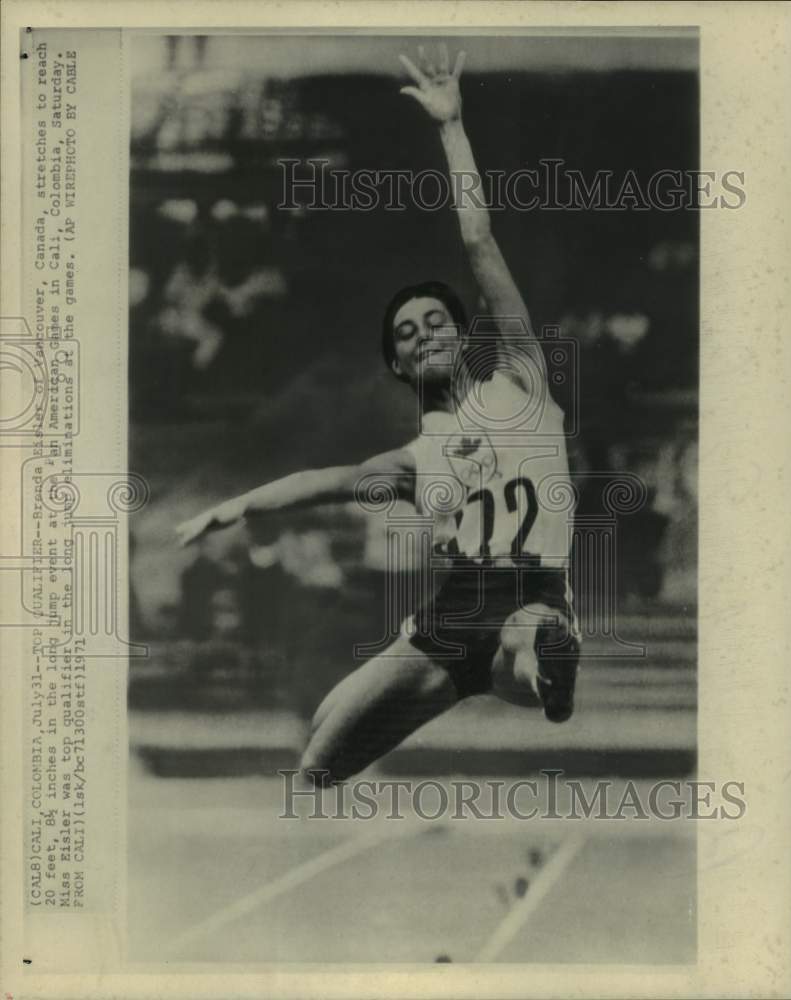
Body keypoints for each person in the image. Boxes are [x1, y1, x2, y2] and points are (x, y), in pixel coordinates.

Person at [176, 45, 580, 785]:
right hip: (449, 613)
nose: (424, 332)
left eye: (436, 321)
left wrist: (452, 129)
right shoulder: (416, 458)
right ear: (398, 365)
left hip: (525, 590)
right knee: (319, 762)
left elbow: (478, 239)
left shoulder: (520, 382)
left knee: (529, 638)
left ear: (464, 336)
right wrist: (234, 507)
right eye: (406, 333)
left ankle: (535, 663)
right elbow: (322, 480)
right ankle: (495, 673)